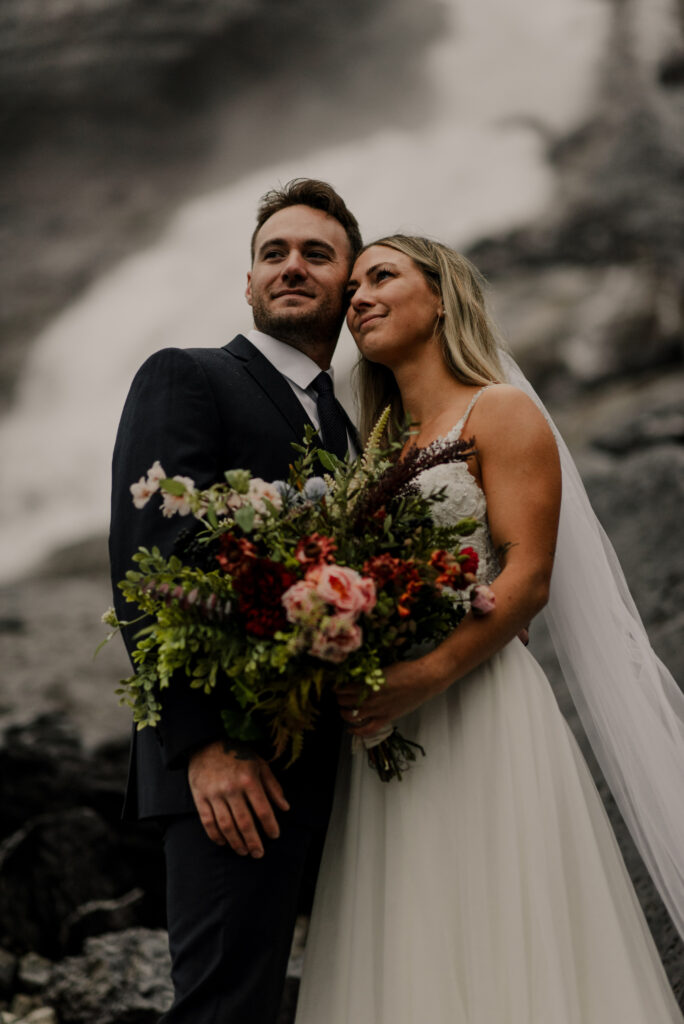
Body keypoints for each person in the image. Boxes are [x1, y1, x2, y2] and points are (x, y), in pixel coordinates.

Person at [294, 236, 684, 1023]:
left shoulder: (498, 408)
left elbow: (527, 578)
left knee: (500, 922)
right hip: (387, 732)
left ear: (441, 297)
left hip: (477, 707)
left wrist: (420, 677)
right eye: (354, 286)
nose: (358, 296)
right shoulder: (376, 447)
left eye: (383, 277)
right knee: (408, 934)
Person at [108, 178, 362, 1023]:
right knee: (226, 1007)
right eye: (273, 254)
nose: (291, 266)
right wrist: (204, 744)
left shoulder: (353, 431)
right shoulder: (188, 377)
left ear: (350, 281)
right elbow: (153, 565)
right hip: (229, 768)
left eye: (315, 254)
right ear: (248, 283)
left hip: (330, 768)